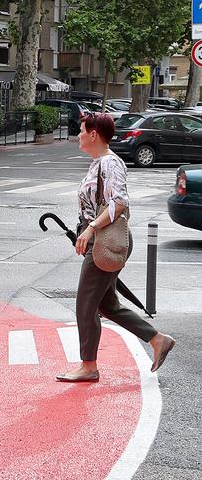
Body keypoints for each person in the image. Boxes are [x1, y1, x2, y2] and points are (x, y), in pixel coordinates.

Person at [57, 112, 175, 382]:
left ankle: (88, 366)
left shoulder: (111, 163)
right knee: (107, 305)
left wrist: (90, 228)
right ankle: (157, 339)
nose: (78, 135)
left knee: (85, 304)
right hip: (102, 239)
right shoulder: (98, 163)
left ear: (94, 134)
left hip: (107, 240)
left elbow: (119, 203)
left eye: (82, 130)